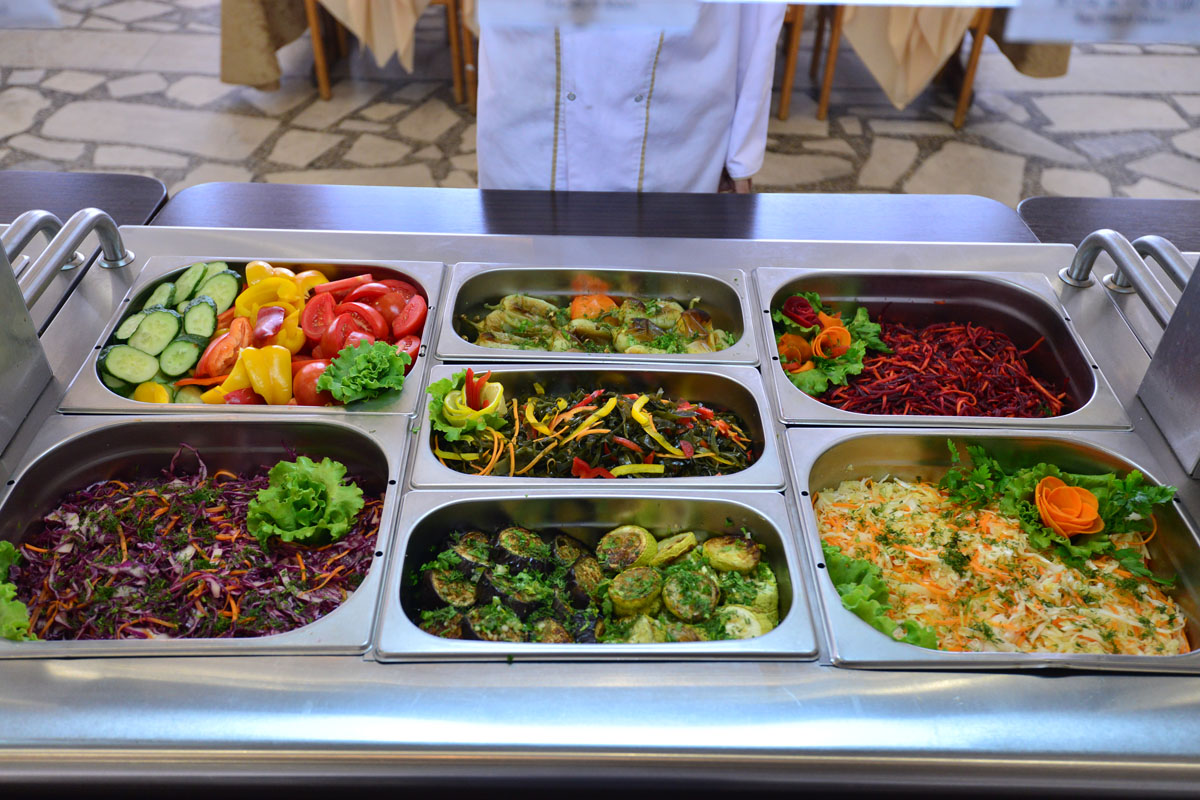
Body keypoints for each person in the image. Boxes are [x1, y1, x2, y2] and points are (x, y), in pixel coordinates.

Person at [475, 3, 786, 193]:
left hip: (676, 122)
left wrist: (741, 156)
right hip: (529, 105)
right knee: (523, 270)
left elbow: (760, 17)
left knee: (668, 270)